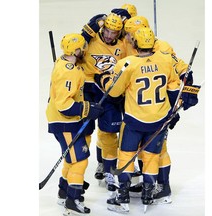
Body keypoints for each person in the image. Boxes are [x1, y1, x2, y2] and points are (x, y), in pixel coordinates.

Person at [97, 27, 200, 213]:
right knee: (152, 157)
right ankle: (148, 194)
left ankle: (123, 196)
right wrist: (181, 101)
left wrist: (104, 78)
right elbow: (175, 88)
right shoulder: (166, 59)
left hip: (134, 121)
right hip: (158, 121)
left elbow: (114, 92)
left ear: (135, 43)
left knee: (126, 155)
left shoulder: (127, 64)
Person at [123, 15, 195, 205]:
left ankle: (162, 186)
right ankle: (150, 181)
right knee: (145, 148)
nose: (127, 37)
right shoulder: (134, 46)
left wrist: (185, 94)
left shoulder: (162, 48)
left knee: (158, 149)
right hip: (144, 106)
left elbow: (181, 69)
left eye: (130, 34)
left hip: (160, 109)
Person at [46, 33, 104, 215]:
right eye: (82, 47)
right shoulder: (69, 71)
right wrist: (86, 108)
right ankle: (73, 199)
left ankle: (63, 191)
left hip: (64, 121)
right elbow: (64, 105)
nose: (84, 50)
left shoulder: (62, 62)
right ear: (76, 50)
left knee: (72, 158)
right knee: (79, 159)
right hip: (64, 122)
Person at [80, 13, 127, 195]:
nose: (109, 36)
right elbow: (75, 47)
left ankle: (109, 172)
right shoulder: (91, 39)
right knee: (85, 132)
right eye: (106, 31)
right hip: (88, 90)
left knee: (109, 132)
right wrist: (88, 29)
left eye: (113, 33)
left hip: (109, 93)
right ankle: (77, 173)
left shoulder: (123, 45)